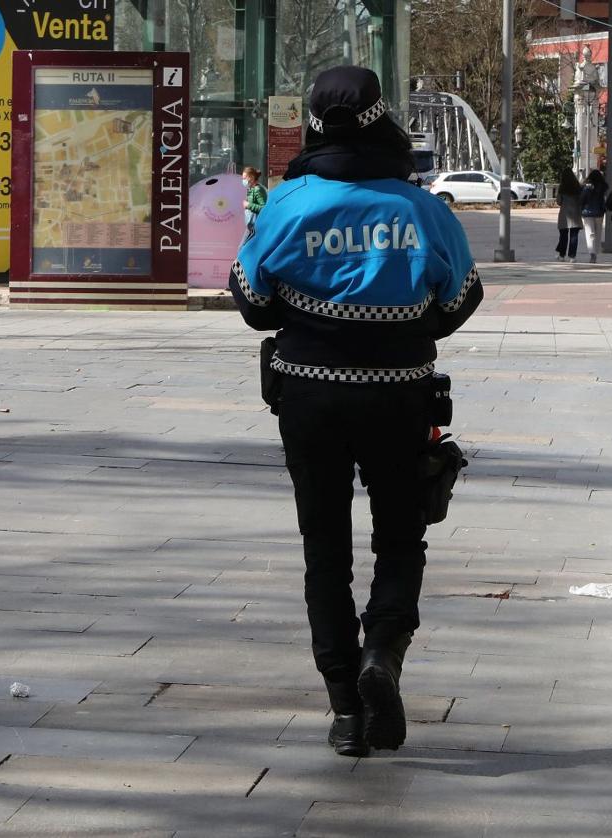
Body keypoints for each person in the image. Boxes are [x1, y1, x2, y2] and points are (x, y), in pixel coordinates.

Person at [229, 66, 483, 759]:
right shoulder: (421, 207)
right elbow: (460, 300)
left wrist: (306, 313)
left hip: (309, 395)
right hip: (401, 394)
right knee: (402, 537)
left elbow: (252, 301)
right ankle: (384, 655)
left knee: (325, 553)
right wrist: (405, 321)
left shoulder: (288, 204)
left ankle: (345, 707)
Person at [580, 169, 608, 263]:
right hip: (599, 212)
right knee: (598, 232)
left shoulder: (586, 187)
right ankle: (596, 251)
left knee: (590, 233)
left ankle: (592, 253)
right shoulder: (603, 187)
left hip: (587, 212)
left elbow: (582, 199)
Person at [555, 169, 583, 262]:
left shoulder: (562, 188)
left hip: (564, 215)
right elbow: (581, 200)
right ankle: (572, 256)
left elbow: (559, 201)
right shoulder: (577, 187)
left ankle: (562, 255)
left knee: (563, 236)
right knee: (574, 236)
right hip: (575, 214)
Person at [241, 166, 267, 238]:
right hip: (251, 227)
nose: (243, 181)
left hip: (256, 227)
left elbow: (264, 208)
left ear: (251, 177)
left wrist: (248, 205)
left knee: (242, 247)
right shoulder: (251, 189)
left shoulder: (257, 190)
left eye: (244, 178)